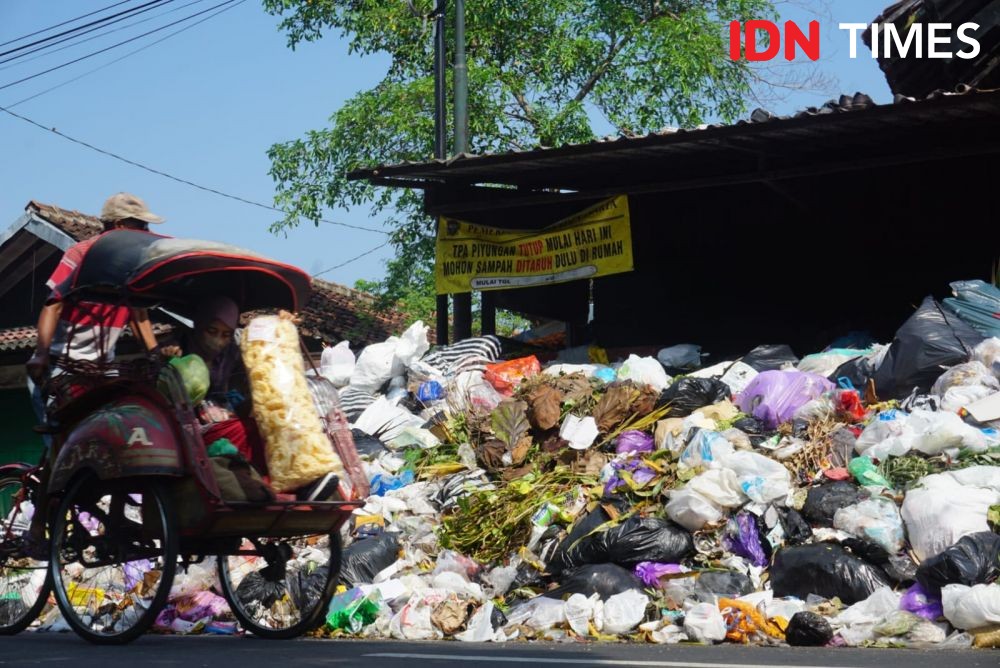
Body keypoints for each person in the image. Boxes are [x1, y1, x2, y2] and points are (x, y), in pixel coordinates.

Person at [26, 193, 164, 430]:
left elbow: (138, 314)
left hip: (104, 369)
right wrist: (41, 353)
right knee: (63, 437)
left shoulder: (133, 264)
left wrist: (156, 356)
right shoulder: (82, 254)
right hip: (63, 365)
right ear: (120, 226)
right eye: (140, 225)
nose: (146, 230)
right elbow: (53, 304)